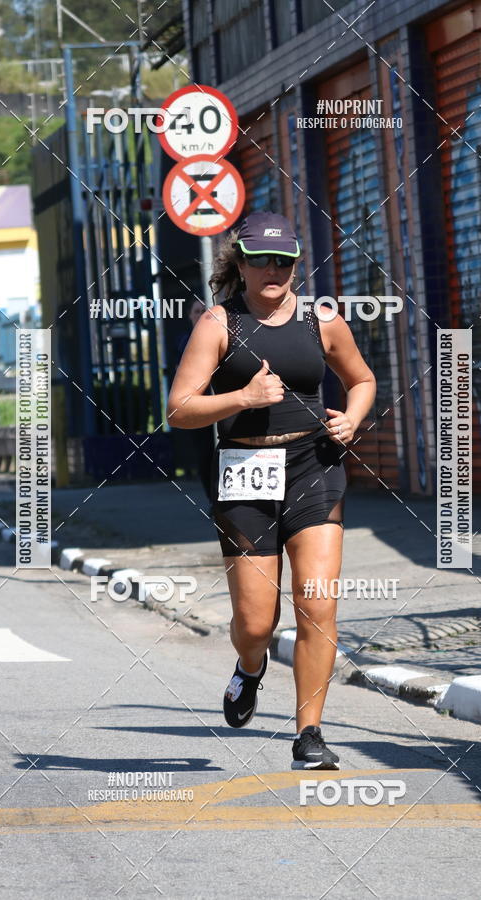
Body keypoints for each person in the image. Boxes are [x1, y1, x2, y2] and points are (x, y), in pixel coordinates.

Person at [167, 212, 376, 769]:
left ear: (295, 265)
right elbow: (180, 409)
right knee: (257, 623)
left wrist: (352, 419)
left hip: (315, 465)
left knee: (317, 604)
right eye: (261, 259)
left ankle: (310, 734)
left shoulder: (322, 320)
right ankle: (250, 668)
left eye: (283, 261)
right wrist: (243, 398)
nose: (273, 270)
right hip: (245, 471)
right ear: (240, 262)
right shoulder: (218, 324)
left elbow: (362, 380)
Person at [175, 299, 214, 502]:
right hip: (199, 409)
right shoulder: (185, 342)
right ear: (191, 316)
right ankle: (212, 501)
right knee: (205, 455)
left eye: (205, 311)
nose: (201, 315)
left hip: (220, 405)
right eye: (197, 311)